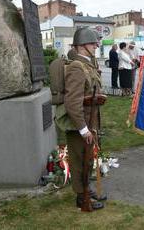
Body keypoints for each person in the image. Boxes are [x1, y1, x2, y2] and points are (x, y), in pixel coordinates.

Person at [58, 27, 107, 209]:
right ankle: (81, 197)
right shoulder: (76, 68)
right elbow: (72, 102)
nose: (96, 45)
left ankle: (86, 189)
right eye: (93, 42)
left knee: (87, 159)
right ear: (82, 45)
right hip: (80, 123)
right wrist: (83, 128)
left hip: (89, 120)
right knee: (79, 160)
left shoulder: (88, 64)